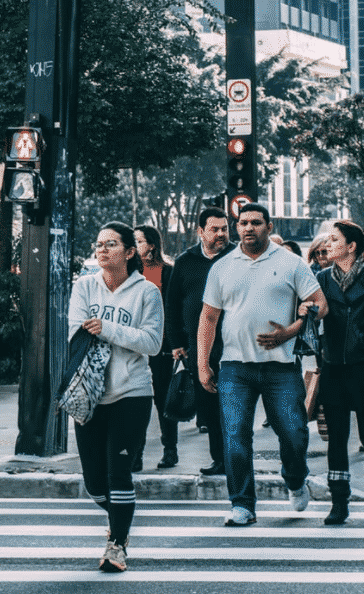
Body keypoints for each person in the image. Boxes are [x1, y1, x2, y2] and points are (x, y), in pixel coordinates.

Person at [197, 203, 327, 526]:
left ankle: (295, 480)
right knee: (236, 436)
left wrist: (292, 331)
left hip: (280, 367)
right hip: (235, 368)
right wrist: (202, 363)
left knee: (294, 434)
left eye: (256, 222)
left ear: (269, 226)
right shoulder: (222, 267)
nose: (248, 228)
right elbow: (208, 319)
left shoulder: (291, 263)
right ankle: (242, 504)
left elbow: (320, 304)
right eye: (242, 223)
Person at [68, 221, 163, 572]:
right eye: (98, 243)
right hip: (89, 394)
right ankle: (120, 517)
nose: (102, 249)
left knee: (118, 472)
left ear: (129, 251)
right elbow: (76, 333)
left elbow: (152, 343)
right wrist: (115, 333)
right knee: (95, 483)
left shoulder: (146, 292)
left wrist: (107, 328)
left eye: (111, 243)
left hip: (132, 392)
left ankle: (117, 544)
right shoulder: (84, 287)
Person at [303, 221, 364, 524]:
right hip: (333, 367)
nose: (327, 246)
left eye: (334, 240)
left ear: (352, 246)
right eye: (326, 241)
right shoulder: (320, 279)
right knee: (337, 439)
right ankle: (339, 501)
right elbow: (312, 318)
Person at [167, 207, 236, 476]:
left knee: (233, 406)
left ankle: (236, 460)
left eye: (224, 229)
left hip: (233, 344)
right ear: (200, 231)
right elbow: (172, 305)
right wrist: (176, 342)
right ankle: (219, 460)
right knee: (208, 407)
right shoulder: (185, 261)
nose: (221, 234)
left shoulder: (238, 257)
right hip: (199, 348)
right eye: (214, 229)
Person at [132, 224, 178, 471]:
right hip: (135, 346)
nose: (134, 244)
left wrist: (176, 345)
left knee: (163, 400)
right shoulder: (128, 272)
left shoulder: (167, 271)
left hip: (162, 347)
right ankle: (135, 455)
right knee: (137, 401)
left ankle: (170, 449)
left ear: (151, 245)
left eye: (138, 240)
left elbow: (173, 311)